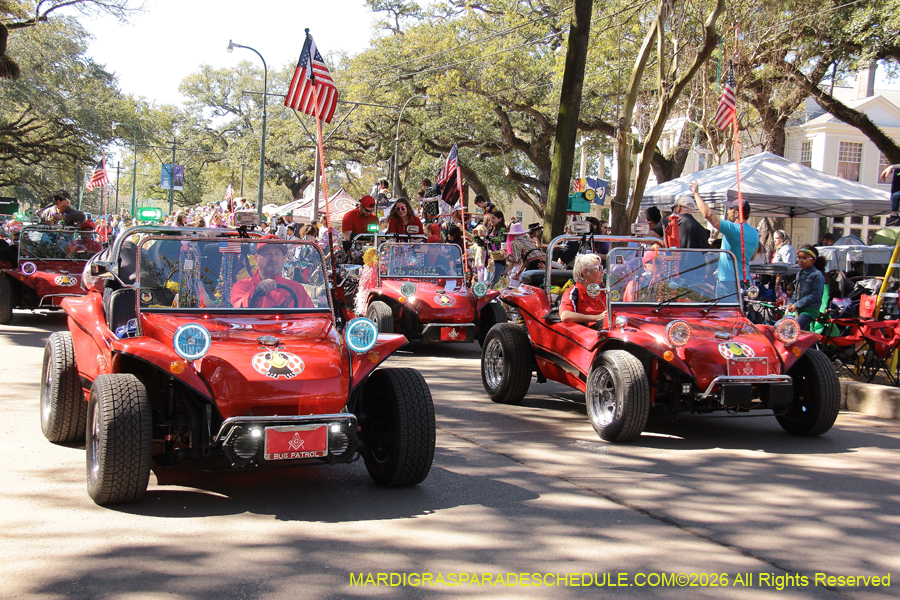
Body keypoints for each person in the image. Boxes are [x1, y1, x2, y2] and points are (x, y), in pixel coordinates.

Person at [691, 180, 759, 297]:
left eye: (731, 209)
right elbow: (752, 256)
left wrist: (696, 194)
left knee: (726, 314)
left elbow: (708, 215)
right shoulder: (754, 232)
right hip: (745, 280)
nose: (729, 213)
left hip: (728, 282)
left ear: (737, 213)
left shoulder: (734, 229)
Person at [231, 237, 315, 309]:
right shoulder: (242, 286)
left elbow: (312, 320)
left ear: (283, 259)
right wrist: (255, 292)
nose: (273, 258)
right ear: (256, 259)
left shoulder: (297, 289)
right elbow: (237, 312)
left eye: (277, 254)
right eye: (267, 254)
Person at [559, 254, 607, 326]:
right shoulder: (574, 291)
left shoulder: (605, 289)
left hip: (610, 329)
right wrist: (596, 318)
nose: (602, 272)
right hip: (589, 332)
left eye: (602, 268)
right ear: (585, 272)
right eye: (599, 268)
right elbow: (565, 315)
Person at [788, 245, 826, 331]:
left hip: (810, 311)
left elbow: (816, 295)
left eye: (804, 258)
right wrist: (791, 303)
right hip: (800, 310)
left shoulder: (817, 275)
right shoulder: (800, 273)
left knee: (794, 329)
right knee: (803, 334)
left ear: (813, 260)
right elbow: (796, 292)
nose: (800, 261)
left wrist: (797, 304)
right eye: (799, 258)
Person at [485, 210, 507, 284]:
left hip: (499, 260)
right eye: (491, 218)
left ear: (500, 219)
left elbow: (500, 240)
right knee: (488, 282)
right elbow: (483, 243)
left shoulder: (502, 230)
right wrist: (476, 236)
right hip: (490, 260)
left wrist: (487, 237)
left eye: (493, 218)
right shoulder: (490, 231)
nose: (491, 220)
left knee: (494, 282)